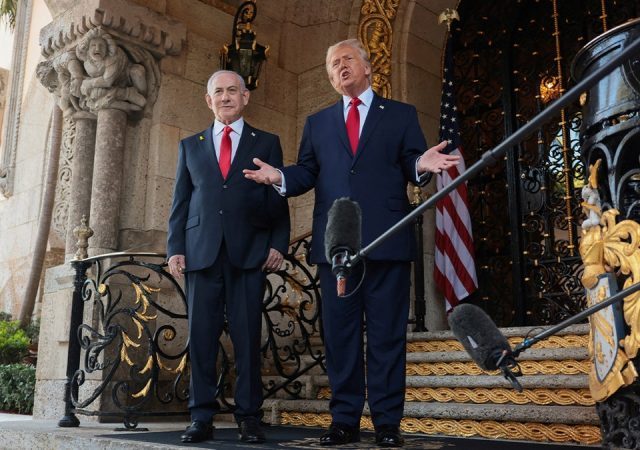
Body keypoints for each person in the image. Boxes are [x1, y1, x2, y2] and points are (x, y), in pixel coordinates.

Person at [243, 39, 460, 447]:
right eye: (331, 65)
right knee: (340, 336)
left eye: (346, 60)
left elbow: (412, 161)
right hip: (337, 245)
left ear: (367, 66)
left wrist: (421, 164)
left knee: (386, 335)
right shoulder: (318, 122)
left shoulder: (400, 114)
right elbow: (307, 172)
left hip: (387, 239)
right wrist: (280, 177)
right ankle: (343, 420)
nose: (338, 68)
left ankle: (387, 423)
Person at [167, 70, 290, 444]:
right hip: (201, 253)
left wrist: (278, 243)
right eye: (218, 92)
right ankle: (201, 416)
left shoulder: (266, 142)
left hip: (249, 253)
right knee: (201, 338)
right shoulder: (190, 145)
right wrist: (175, 248)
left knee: (248, 337)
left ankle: (249, 417)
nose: (225, 97)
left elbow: (277, 198)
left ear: (245, 96)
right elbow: (180, 202)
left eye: (232, 91)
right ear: (208, 100)